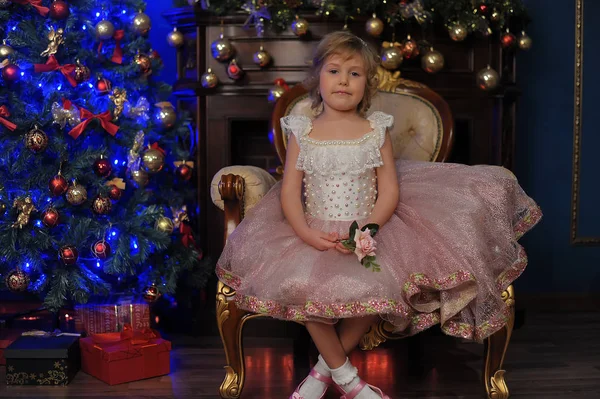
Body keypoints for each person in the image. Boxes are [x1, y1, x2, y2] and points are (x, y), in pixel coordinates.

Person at [216, 30, 542, 399]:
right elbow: (290, 191)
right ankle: (351, 383)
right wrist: (306, 234)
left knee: (380, 287)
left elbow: (389, 189)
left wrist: (367, 228)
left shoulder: (376, 129)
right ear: (317, 78)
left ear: (367, 83)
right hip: (312, 230)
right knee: (300, 290)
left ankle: (324, 374)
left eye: (355, 74)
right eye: (335, 71)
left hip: (367, 227)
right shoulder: (302, 131)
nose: (343, 80)